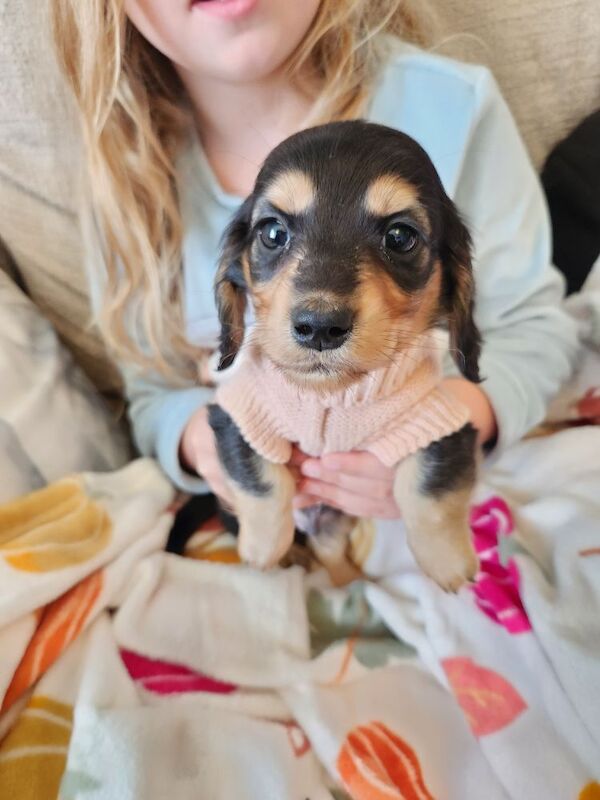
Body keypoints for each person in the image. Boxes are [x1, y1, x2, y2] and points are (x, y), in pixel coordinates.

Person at [51, 0, 577, 520]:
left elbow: (532, 330)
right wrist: (202, 442)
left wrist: (445, 438)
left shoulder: (451, 105)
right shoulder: (124, 180)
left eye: (398, 236)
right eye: (274, 233)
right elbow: (151, 395)